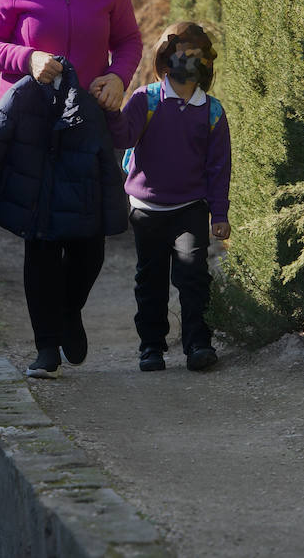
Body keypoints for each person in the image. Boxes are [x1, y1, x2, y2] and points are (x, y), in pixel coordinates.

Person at [0, 0, 142, 378]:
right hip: (29, 126)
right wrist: (26, 58)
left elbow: (129, 39)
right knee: (41, 237)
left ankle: (69, 311)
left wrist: (117, 75)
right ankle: (46, 348)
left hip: (86, 123)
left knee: (89, 239)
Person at [105, 21, 232, 373]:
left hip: (190, 207)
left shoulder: (213, 112)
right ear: (165, 58)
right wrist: (111, 108)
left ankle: (198, 344)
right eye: (180, 51)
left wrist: (219, 214)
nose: (187, 58)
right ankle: (151, 348)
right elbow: (123, 137)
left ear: (206, 62)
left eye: (195, 53)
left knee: (194, 275)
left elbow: (219, 169)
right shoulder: (145, 99)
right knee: (151, 279)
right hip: (146, 210)